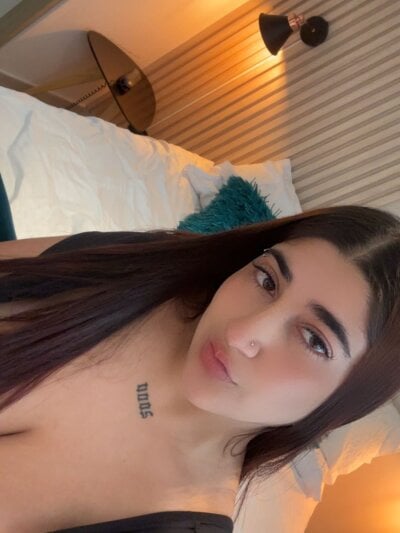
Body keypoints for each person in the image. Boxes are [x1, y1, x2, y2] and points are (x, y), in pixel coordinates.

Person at [0, 204, 399, 531]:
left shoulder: (166, 521)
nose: (241, 333)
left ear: (343, 402)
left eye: (314, 340)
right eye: (267, 280)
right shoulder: (168, 266)